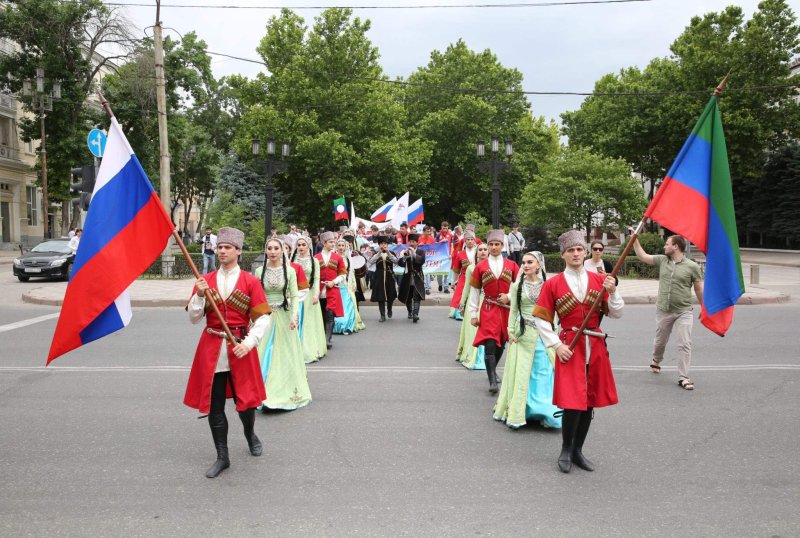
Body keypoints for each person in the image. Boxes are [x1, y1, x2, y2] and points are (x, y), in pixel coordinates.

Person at [533, 230, 623, 473]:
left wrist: (613, 292)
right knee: (573, 402)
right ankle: (565, 448)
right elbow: (542, 320)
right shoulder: (552, 284)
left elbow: (616, 313)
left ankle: (578, 450)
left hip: (594, 346)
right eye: (570, 250)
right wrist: (557, 345)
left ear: (585, 252)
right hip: (570, 347)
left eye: (579, 249)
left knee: (589, 401)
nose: (575, 253)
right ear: (563, 255)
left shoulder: (599, 281)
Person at [184, 227, 271, 478]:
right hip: (212, 349)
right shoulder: (205, 281)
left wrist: (250, 342)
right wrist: (199, 296)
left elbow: (263, 317)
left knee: (246, 403)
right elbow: (193, 318)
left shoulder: (250, 281)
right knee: (215, 405)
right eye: (220, 247)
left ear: (238, 251)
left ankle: (249, 433)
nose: (222, 251)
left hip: (240, 345)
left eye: (227, 247)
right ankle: (222, 456)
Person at [493, 251, 561, 429]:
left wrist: (555, 332)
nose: (526, 265)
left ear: (539, 265)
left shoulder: (548, 285)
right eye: (523, 262)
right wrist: (510, 331)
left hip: (544, 335)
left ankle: (545, 412)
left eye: (530, 262)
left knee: (544, 373)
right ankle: (523, 411)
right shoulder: (517, 286)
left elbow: (553, 310)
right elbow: (513, 310)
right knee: (524, 373)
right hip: (523, 334)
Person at [630, 233, 703, 391]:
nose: (664, 246)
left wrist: (705, 308)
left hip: (684, 311)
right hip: (664, 310)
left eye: (667, 244)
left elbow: (698, 288)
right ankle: (656, 360)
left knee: (684, 343)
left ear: (675, 246)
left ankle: (683, 377)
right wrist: (634, 240)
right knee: (660, 341)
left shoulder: (692, 266)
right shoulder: (663, 260)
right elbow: (643, 256)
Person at [255, 237, 312, 410]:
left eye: (275, 248)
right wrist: (255, 318)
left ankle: (285, 390)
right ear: (266, 251)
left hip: (285, 316)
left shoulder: (290, 271)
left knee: (285, 353)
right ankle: (261, 391)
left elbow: (295, 296)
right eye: (269, 248)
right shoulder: (259, 271)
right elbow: (256, 297)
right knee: (263, 352)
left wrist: (294, 317)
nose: (272, 252)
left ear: (282, 251)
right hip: (266, 317)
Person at [468, 229, 520, 393]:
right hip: (489, 308)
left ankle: (493, 369)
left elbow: (519, 287)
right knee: (490, 342)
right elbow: (475, 291)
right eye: (491, 244)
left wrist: (509, 296)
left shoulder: (512, 265)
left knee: (501, 343)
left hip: (506, 310)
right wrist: (473, 313)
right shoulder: (480, 267)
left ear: (502, 246)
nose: (494, 247)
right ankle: (492, 380)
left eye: (497, 244)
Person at [291, 236, 327, 364]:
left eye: (303, 245)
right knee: (296, 320)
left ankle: (311, 349)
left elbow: (316, 278)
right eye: (299, 245)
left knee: (308, 321)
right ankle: (295, 349)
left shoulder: (314, 261)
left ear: (308, 246)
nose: (300, 247)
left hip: (309, 293)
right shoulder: (292, 260)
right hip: (295, 294)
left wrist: (316, 294)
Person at [456, 243, 488, 370]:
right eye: (480, 250)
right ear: (476, 253)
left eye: (485, 249)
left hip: (487, 302)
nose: (483, 252)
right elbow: (466, 287)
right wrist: (462, 303)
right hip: (473, 302)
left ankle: (486, 356)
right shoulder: (471, 268)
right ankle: (471, 355)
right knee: (472, 330)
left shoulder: (494, 268)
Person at [315, 231, 347, 349]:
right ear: (324, 243)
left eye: (334, 241)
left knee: (330, 314)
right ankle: (322, 336)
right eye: (331, 242)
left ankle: (327, 338)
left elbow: (343, 274)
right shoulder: (316, 258)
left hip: (332, 289)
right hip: (319, 290)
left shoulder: (337, 257)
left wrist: (334, 281)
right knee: (321, 314)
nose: (333, 244)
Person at [333, 238, 365, 334]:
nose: (341, 247)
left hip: (345, 284)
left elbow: (351, 272)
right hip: (335, 284)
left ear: (346, 247)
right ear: (336, 247)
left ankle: (347, 325)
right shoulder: (332, 257)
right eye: (339, 245)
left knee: (348, 304)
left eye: (343, 245)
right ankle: (335, 325)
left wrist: (353, 284)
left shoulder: (348, 258)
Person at [368, 236, 398, 322]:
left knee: (390, 295)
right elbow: (371, 262)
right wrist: (378, 253)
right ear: (379, 245)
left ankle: (389, 309)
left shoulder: (391, 252)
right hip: (379, 276)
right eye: (381, 243)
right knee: (380, 296)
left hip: (389, 276)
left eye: (385, 243)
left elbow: (396, 261)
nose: (383, 245)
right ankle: (382, 315)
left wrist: (388, 253)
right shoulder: (376, 253)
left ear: (387, 245)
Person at [398, 233, 426, 323]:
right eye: (410, 241)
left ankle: (415, 314)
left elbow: (421, 261)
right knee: (408, 296)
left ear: (417, 243)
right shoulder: (405, 251)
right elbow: (400, 264)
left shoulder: (421, 252)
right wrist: (404, 256)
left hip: (417, 276)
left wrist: (413, 253)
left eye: (413, 242)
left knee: (416, 296)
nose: (411, 243)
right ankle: (410, 312)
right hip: (407, 277)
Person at [449, 231, 477, 320]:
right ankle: (459, 312)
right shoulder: (460, 254)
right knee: (460, 294)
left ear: (474, 240)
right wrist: (453, 282)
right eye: (468, 239)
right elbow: (456, 269)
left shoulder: (479, 251)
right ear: (465, 241)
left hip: (477, 277)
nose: (470, 241)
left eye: (471, 239)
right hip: (464, 277)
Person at [418, 225, 436, 295]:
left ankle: (427, 288)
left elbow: (435, 248)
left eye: (429, 231)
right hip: (421, 258)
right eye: (427, 231)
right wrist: (420, 245)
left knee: (428, 273)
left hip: (429, 258)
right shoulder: (420, 238)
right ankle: (421, 286)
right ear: (424, 232)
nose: (429, 233)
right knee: (421, 273)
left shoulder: (432, 239)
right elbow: (418, 247)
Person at [436, 221, 453, 293]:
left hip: (447, 256)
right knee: (439, 272)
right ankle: (440, 284)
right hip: (439, 256)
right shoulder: (438, 235)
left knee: (446, 272)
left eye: (446, 228)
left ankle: (446, 288)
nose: (445, 229)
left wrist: (451, 254)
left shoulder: (451, 235)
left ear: (448, 227)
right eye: (444, 228)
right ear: (441, 227)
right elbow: (434, 244)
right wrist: (441, 241)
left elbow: (452, 245)